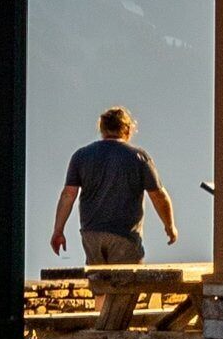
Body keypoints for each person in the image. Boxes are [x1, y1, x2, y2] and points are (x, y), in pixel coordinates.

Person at [50, 105, 177, 267]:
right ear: (128, 130)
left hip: (91, 234)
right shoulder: (138, 157)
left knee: (98, 279)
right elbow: (158, 196)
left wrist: (58, 230)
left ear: (102, 129)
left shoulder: (81, 156)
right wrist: (169, 226)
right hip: (124, 235)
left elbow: (68, 194)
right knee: (126, 281)